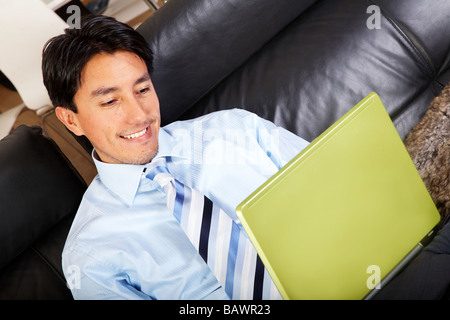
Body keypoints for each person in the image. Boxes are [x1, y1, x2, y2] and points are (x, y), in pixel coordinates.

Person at [42, 15, 309, 300]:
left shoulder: (238, 129)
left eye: (143, 89)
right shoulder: (89, 256)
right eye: (110, 101)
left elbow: (340, 186)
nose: (140, 115)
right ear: (71, 121)